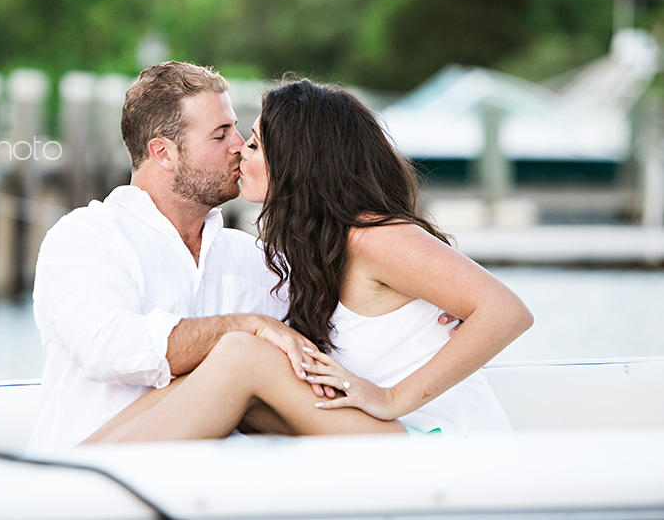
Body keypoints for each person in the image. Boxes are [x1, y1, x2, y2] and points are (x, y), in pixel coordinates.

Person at [84, 79, 534, 443]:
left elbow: (506, 311)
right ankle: (79, 467)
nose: (240, 151)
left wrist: (392, 397)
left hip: (447, 445)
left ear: (298, 158)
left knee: (241, 351)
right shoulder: (311, 251)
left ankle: (90, 484)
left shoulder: (372, 236)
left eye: (256, 145)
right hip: (386, 440)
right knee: (214, 367)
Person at [28, 63, 345, 453]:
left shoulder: (253, 257)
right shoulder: (86, 236)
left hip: (208, 492)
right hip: (89, 484)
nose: (240, 146)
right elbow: (109, 348)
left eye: (237, 129)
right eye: (220, 134)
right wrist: (245, 327)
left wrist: (429, 315)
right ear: (163, 152)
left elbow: (335, 326)